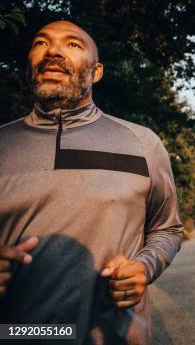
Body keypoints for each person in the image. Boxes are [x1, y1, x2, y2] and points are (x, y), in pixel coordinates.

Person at [0, 20, 183, 344]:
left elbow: (167, 229)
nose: (53, 50)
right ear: (30, 64)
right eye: (41, 43)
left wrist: (144, 267)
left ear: (96, 71)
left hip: (113, 336)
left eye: (72, 44)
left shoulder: (143, 143)